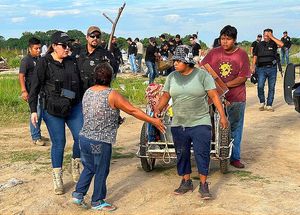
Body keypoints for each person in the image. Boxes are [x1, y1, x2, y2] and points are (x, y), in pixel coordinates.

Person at [72, 62, 165, 211]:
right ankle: (97, 201)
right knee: (101, 169)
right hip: (100, 142)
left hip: (83, 138)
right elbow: (133, 111)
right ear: (111, 77)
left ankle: (78, 194)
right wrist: (153, 120)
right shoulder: (112, 94)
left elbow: (95, 113)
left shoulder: (88, 92)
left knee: (89, 167)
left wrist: (114, 119)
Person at [154, 45, 229, 199]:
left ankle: (203, 184)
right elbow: (166, 96)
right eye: (174, 60)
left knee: (202, 153)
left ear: (187, 61)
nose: (175, 63)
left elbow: (214, 96)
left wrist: (222, 116)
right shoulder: (172, 77)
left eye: (178, 60)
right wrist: (158, 109)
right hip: (179, 123)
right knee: (182, 154)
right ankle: (186, 181)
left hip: (200, 121)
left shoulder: (202, 76)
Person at [29, 31, 83, 194]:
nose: (68, 49)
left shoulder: (72, 61)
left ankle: (75, 164)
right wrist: (33, 110)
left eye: (69, 45)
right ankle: (57, 176)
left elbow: (80, 84)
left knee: (81, 137)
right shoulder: (44, 63)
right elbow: (35, 88)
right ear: (54, 46)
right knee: (59, 143)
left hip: (73, 107)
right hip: (52, 109)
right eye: (64, 45)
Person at [201, 25, 251, 169]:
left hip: (236, 97)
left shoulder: (241, 54)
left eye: (228, 39)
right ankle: (212, 153)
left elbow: (242, 77)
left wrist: (224, 85)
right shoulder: (214, 53)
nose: (224, 42)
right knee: (210, 125)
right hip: (214, 97)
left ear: (234, 40)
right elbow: (203, 67)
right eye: (223, 38)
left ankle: (235, 157)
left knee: (235, 127)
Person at [19, 37, 45, 146]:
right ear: (30, 49)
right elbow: (21, 76)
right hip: (31, 92)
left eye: (39, 48)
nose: (38, 50)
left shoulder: (40, 59)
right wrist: (24, 91)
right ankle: (35, 137)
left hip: (41, 90)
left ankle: (37, 133)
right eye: (36, 48)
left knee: (41, 113)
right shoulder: (26, 60)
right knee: (36, 113)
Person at [77, 26, 118, 92]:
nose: (95, 38)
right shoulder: (78, 51)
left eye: (98, 36)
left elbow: (114, 69)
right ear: (87, 37)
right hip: (79, 92)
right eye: (92, 36)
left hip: (97, 93)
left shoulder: (106, 54)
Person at [252, 28, 284, 112]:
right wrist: (253, 66)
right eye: (264, 35)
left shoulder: (274, 43)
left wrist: (272, 37)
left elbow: (281, 44)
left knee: (271, 87)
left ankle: (269, 104)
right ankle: (262, 102)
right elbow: (255, 55)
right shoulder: (259, 44)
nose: (265, 37)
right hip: (261, 69)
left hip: (272, 68)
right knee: (260, 86)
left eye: (267, 35)